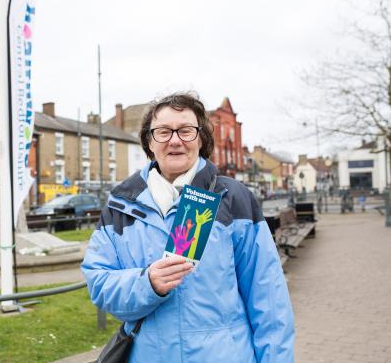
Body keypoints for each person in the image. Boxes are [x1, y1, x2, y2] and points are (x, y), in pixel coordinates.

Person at [81, 92, 294, 362]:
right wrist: (147, 284)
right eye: (163, 132)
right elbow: (99, 282)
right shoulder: (120, 204)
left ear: (201, 138)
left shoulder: (233, 198)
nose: (175, 141)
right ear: (149, 141)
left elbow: (269, 299)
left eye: (186, 131)